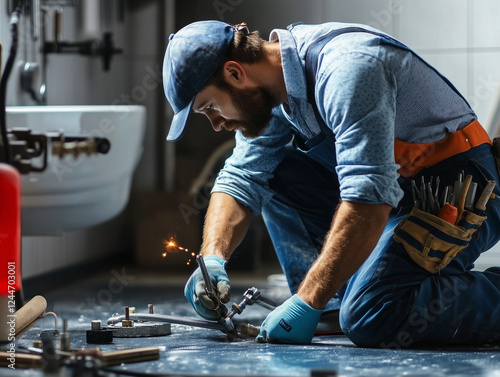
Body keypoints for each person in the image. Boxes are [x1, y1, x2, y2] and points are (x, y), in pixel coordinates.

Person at [162, 20, 500, 348]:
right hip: (390, 197)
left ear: (235, 73)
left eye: (209, 107)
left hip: (455, 191)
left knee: (372, 313)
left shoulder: (347, 69)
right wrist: (213, 260)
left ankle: (347, 298)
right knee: (275, 170)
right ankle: (337, 296)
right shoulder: (274, 89)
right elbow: (240, 178)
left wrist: (306, 301)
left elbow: (367, 201)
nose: (217, 124)